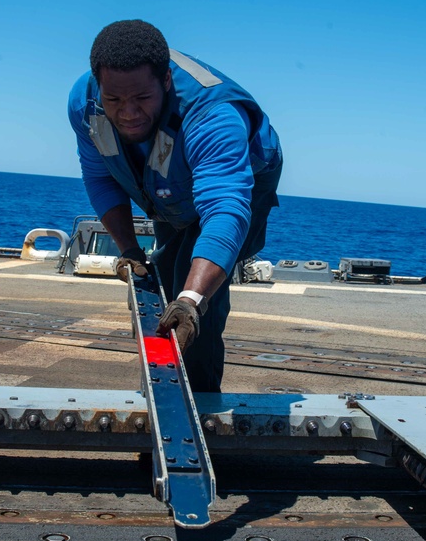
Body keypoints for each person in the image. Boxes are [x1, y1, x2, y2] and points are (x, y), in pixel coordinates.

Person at [68, 20, 283, 393]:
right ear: (99, 86)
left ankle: (196, 403)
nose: (129, 113)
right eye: (114, 100)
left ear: (166, 80)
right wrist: (130, 251)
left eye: (142, 99)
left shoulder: (212, 115)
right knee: (158, 280)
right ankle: (162, 387)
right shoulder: (84, 104)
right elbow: (100, 176)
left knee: (192, 292)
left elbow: (225, 208)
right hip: (167, 185)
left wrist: (192, 301)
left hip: (240, 176)